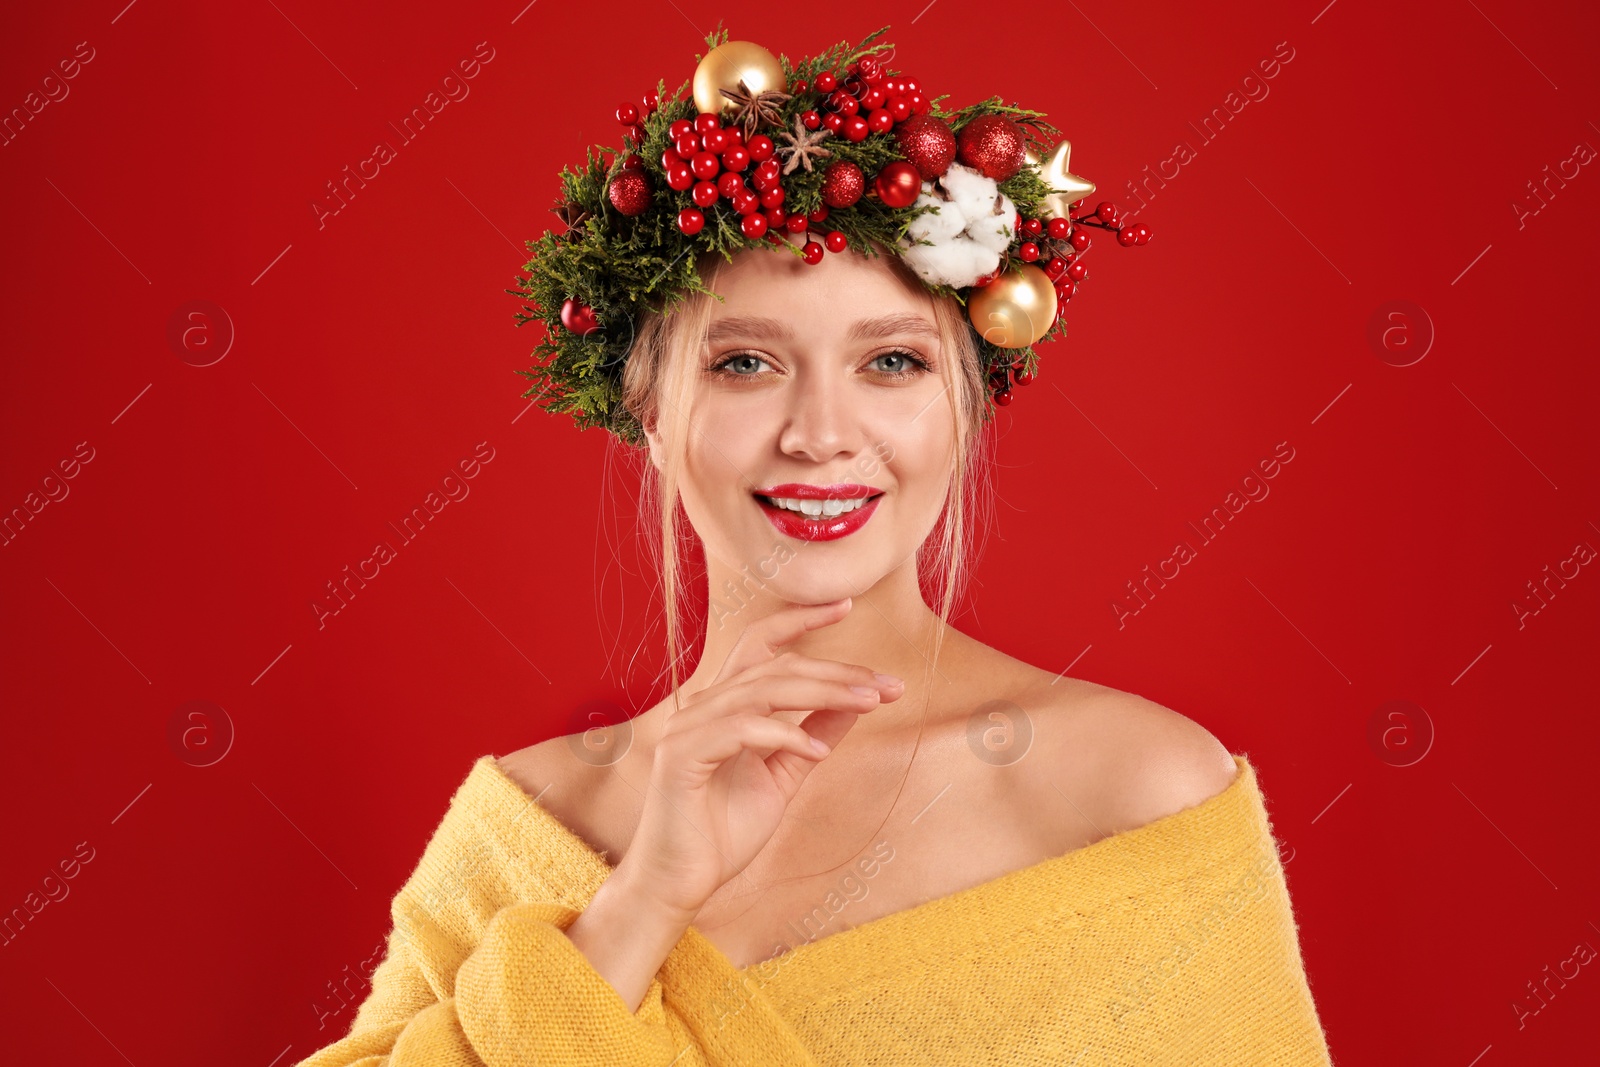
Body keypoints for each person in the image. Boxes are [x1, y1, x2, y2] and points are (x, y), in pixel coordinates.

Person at [295, 28, 1334, 1067]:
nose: (820, 432)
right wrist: (638, 905)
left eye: (890, 360)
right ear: (651, 414)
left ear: (965, 408)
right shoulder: (528, 826)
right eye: (745, 362)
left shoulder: (1136, 790)